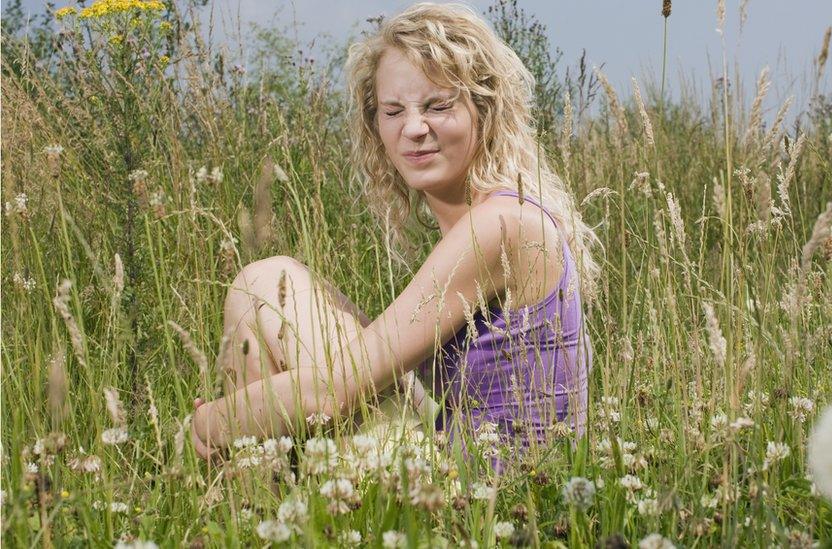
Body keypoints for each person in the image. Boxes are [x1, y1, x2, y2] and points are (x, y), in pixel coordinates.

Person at [190, 2, 601, 472]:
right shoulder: (492, 216)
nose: (413, 128)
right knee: (266, 283)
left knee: (264, 287)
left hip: (494, 501)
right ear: (375, 124)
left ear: (485, 110)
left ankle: (249, 508)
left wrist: (209, 424)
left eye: (438, 105)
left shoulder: (503, 224)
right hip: (463, 465)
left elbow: (331, 391)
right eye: (393, 110)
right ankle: (256, 511)